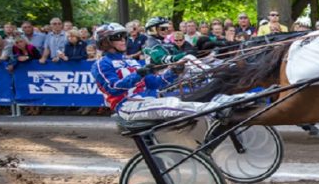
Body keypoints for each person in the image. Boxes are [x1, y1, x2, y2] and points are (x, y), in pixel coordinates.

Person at [91, 23, 248, 122]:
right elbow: (113, 88)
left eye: (124, 36)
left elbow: (155, 83)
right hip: (127, 106)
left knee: (177, 100)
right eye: (117, 37)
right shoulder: (101, 64)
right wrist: (139, 74)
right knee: (171, 105)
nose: (123, 40)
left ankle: (228, 100)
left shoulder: (131, 61)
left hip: (146, 101)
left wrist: (173, 72)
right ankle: (216, 110)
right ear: (105, 42)